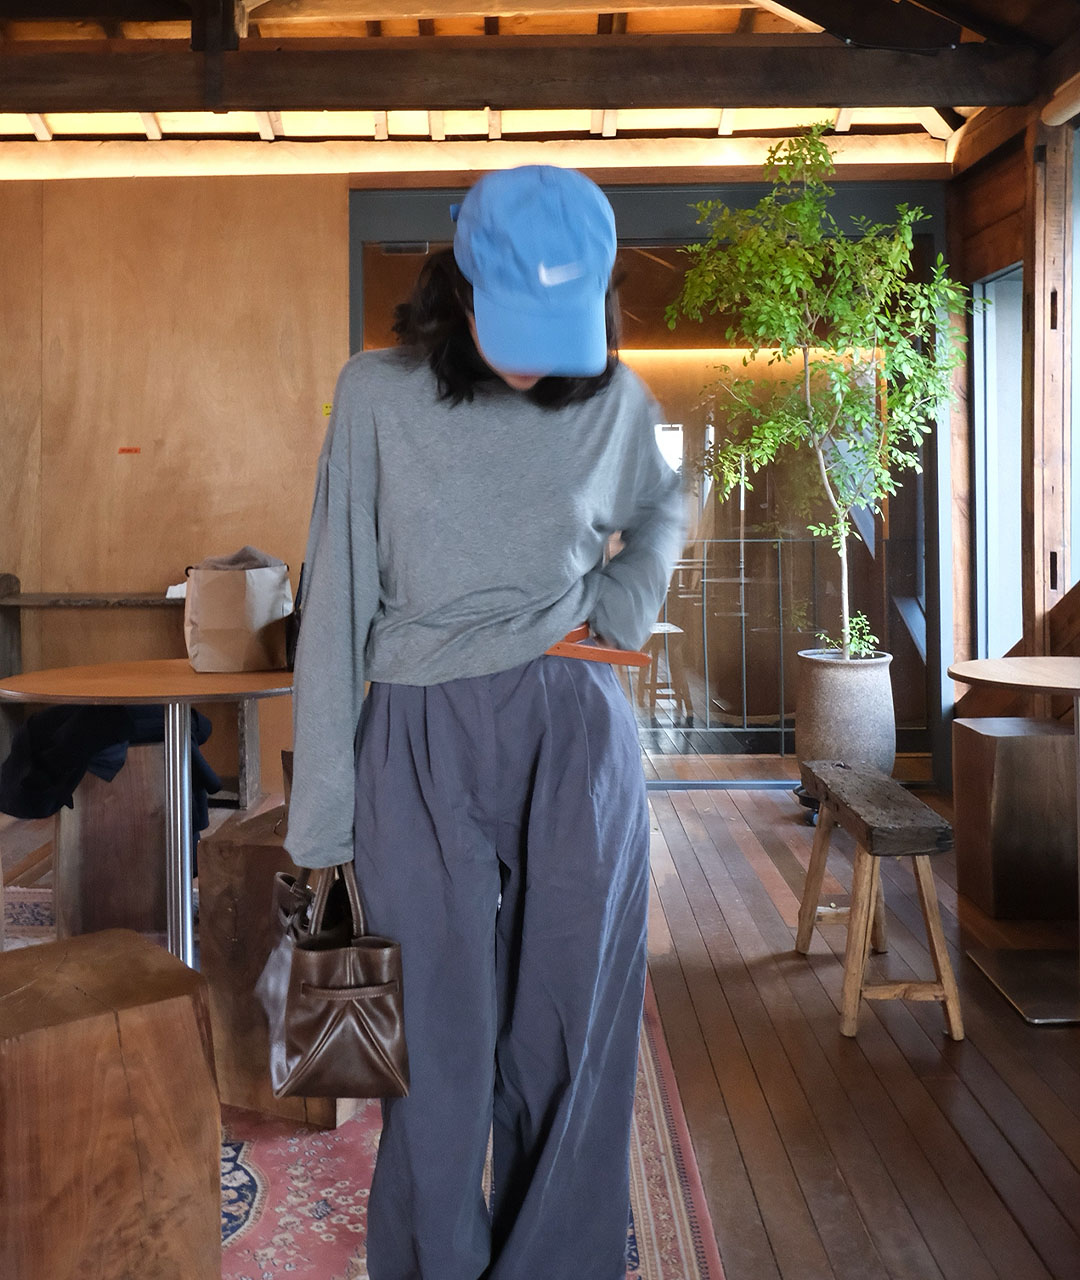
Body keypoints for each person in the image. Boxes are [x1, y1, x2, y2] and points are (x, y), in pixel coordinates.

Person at [286, 164, 685, 1280]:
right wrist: (321, 821)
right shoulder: (376, 395)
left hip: (574, 723)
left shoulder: (613, 400)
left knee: (569, 1029)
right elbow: (338, 600)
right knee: (435, 1045)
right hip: (419, 729)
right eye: (513, 321)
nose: (533, 358)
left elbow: (663, 508)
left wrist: (618, 607)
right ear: (458, 287)